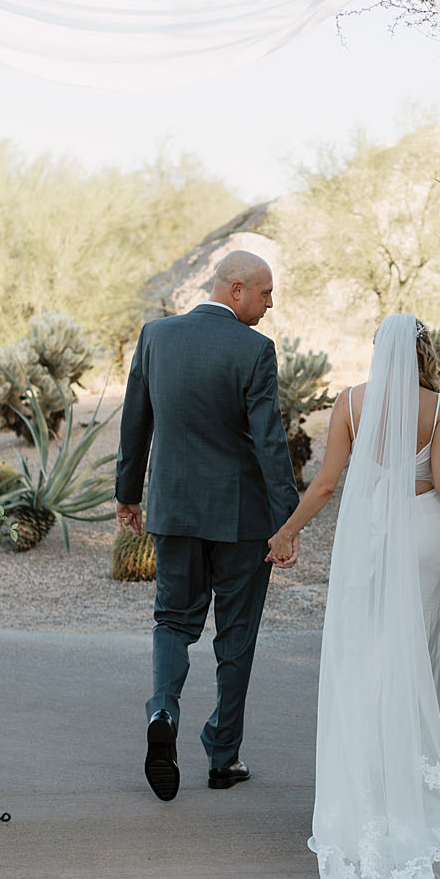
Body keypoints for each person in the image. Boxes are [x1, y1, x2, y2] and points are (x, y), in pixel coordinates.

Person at [269, 313, 440, 879]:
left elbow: (326, 483)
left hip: (372, 540)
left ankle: (370, 794)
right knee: (423, 662)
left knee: (367, 663)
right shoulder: (438, 406)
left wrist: (288, 531)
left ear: (378, 351)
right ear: (426, 353)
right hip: (427, 538)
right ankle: (421, 798)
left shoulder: (349, 402)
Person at [115, 250, 300, 800]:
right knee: (236, 636)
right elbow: (270, 442)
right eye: (265, 293)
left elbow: (135, 422)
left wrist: (129, 496)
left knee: (173, 620)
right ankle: (224, 757)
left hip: (174, 509)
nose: (271, 304)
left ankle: (163, 714)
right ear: (236, 289)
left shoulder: (155, 336)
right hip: (242, 518)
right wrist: (289, 520)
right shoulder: (255, 350)